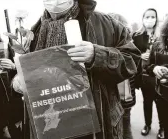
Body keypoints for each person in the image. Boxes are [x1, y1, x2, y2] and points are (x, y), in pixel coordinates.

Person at [25, 0, 141, 139]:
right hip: (52, 123)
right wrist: (19, 81)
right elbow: (31, 75)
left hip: (96, 124)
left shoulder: (104, 23)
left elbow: (132, 60)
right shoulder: (35, 31)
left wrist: (97, 55)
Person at [132, 8, 164, 138]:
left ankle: (162, 127)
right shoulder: (136, 36)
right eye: (147, 17)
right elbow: (129, 54)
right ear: (143, 18)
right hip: (144, 76)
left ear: (156, 19)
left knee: (161, 104)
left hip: (159, 75)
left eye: (153, 17)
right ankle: (147, 124)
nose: (150, 19)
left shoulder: (162, 36)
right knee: (147, 102)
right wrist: (140, 56)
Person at [108, 13, 137, 139]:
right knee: (125, 127)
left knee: (124, 128)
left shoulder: (127, 50)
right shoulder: (128, 47)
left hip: (122, 101)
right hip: (125, 100)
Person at [146, 18, 168, 139]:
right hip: (162, 94)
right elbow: (148, 66)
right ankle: (162, 129)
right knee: (164, 120)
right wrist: (154, 68)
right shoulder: (157, 45)